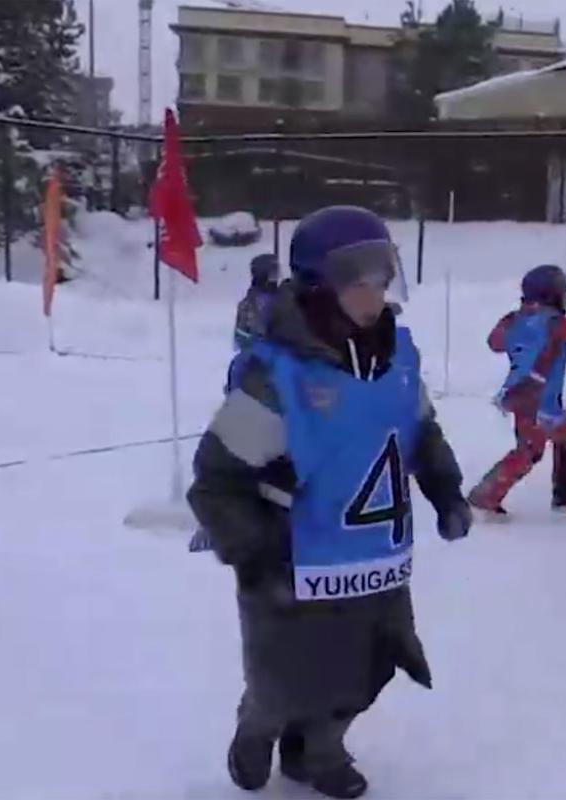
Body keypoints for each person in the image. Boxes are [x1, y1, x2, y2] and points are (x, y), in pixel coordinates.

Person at [187, 206, 472, 800]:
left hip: (375, 558)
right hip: (295, 562)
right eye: (357, 280)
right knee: (287, 679)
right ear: (319, 286)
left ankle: (318, 751)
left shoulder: (398, 361)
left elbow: (419, 430)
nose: (374, 293)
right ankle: (261, 720)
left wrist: (444, 489)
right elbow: (216, 479)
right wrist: (256, 551)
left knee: (366, 671)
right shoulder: (280, 378)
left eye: (381, 277)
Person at [467, 265, 566, 519]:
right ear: (551, 295)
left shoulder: (513, 320)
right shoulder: (555, 323)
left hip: (520, 395)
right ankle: (485, 496)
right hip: (539, 399)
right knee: (530, 451)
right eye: (564, 293)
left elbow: (495, 342)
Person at [226, 253, 281, 392]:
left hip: (283, 352)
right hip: (255, 354)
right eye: (273, 272)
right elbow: (240, 336)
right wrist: (255, 345)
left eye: (276, 271)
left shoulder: (286, 297)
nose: (276, 276)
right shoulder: (247, 305)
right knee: (238, 368)